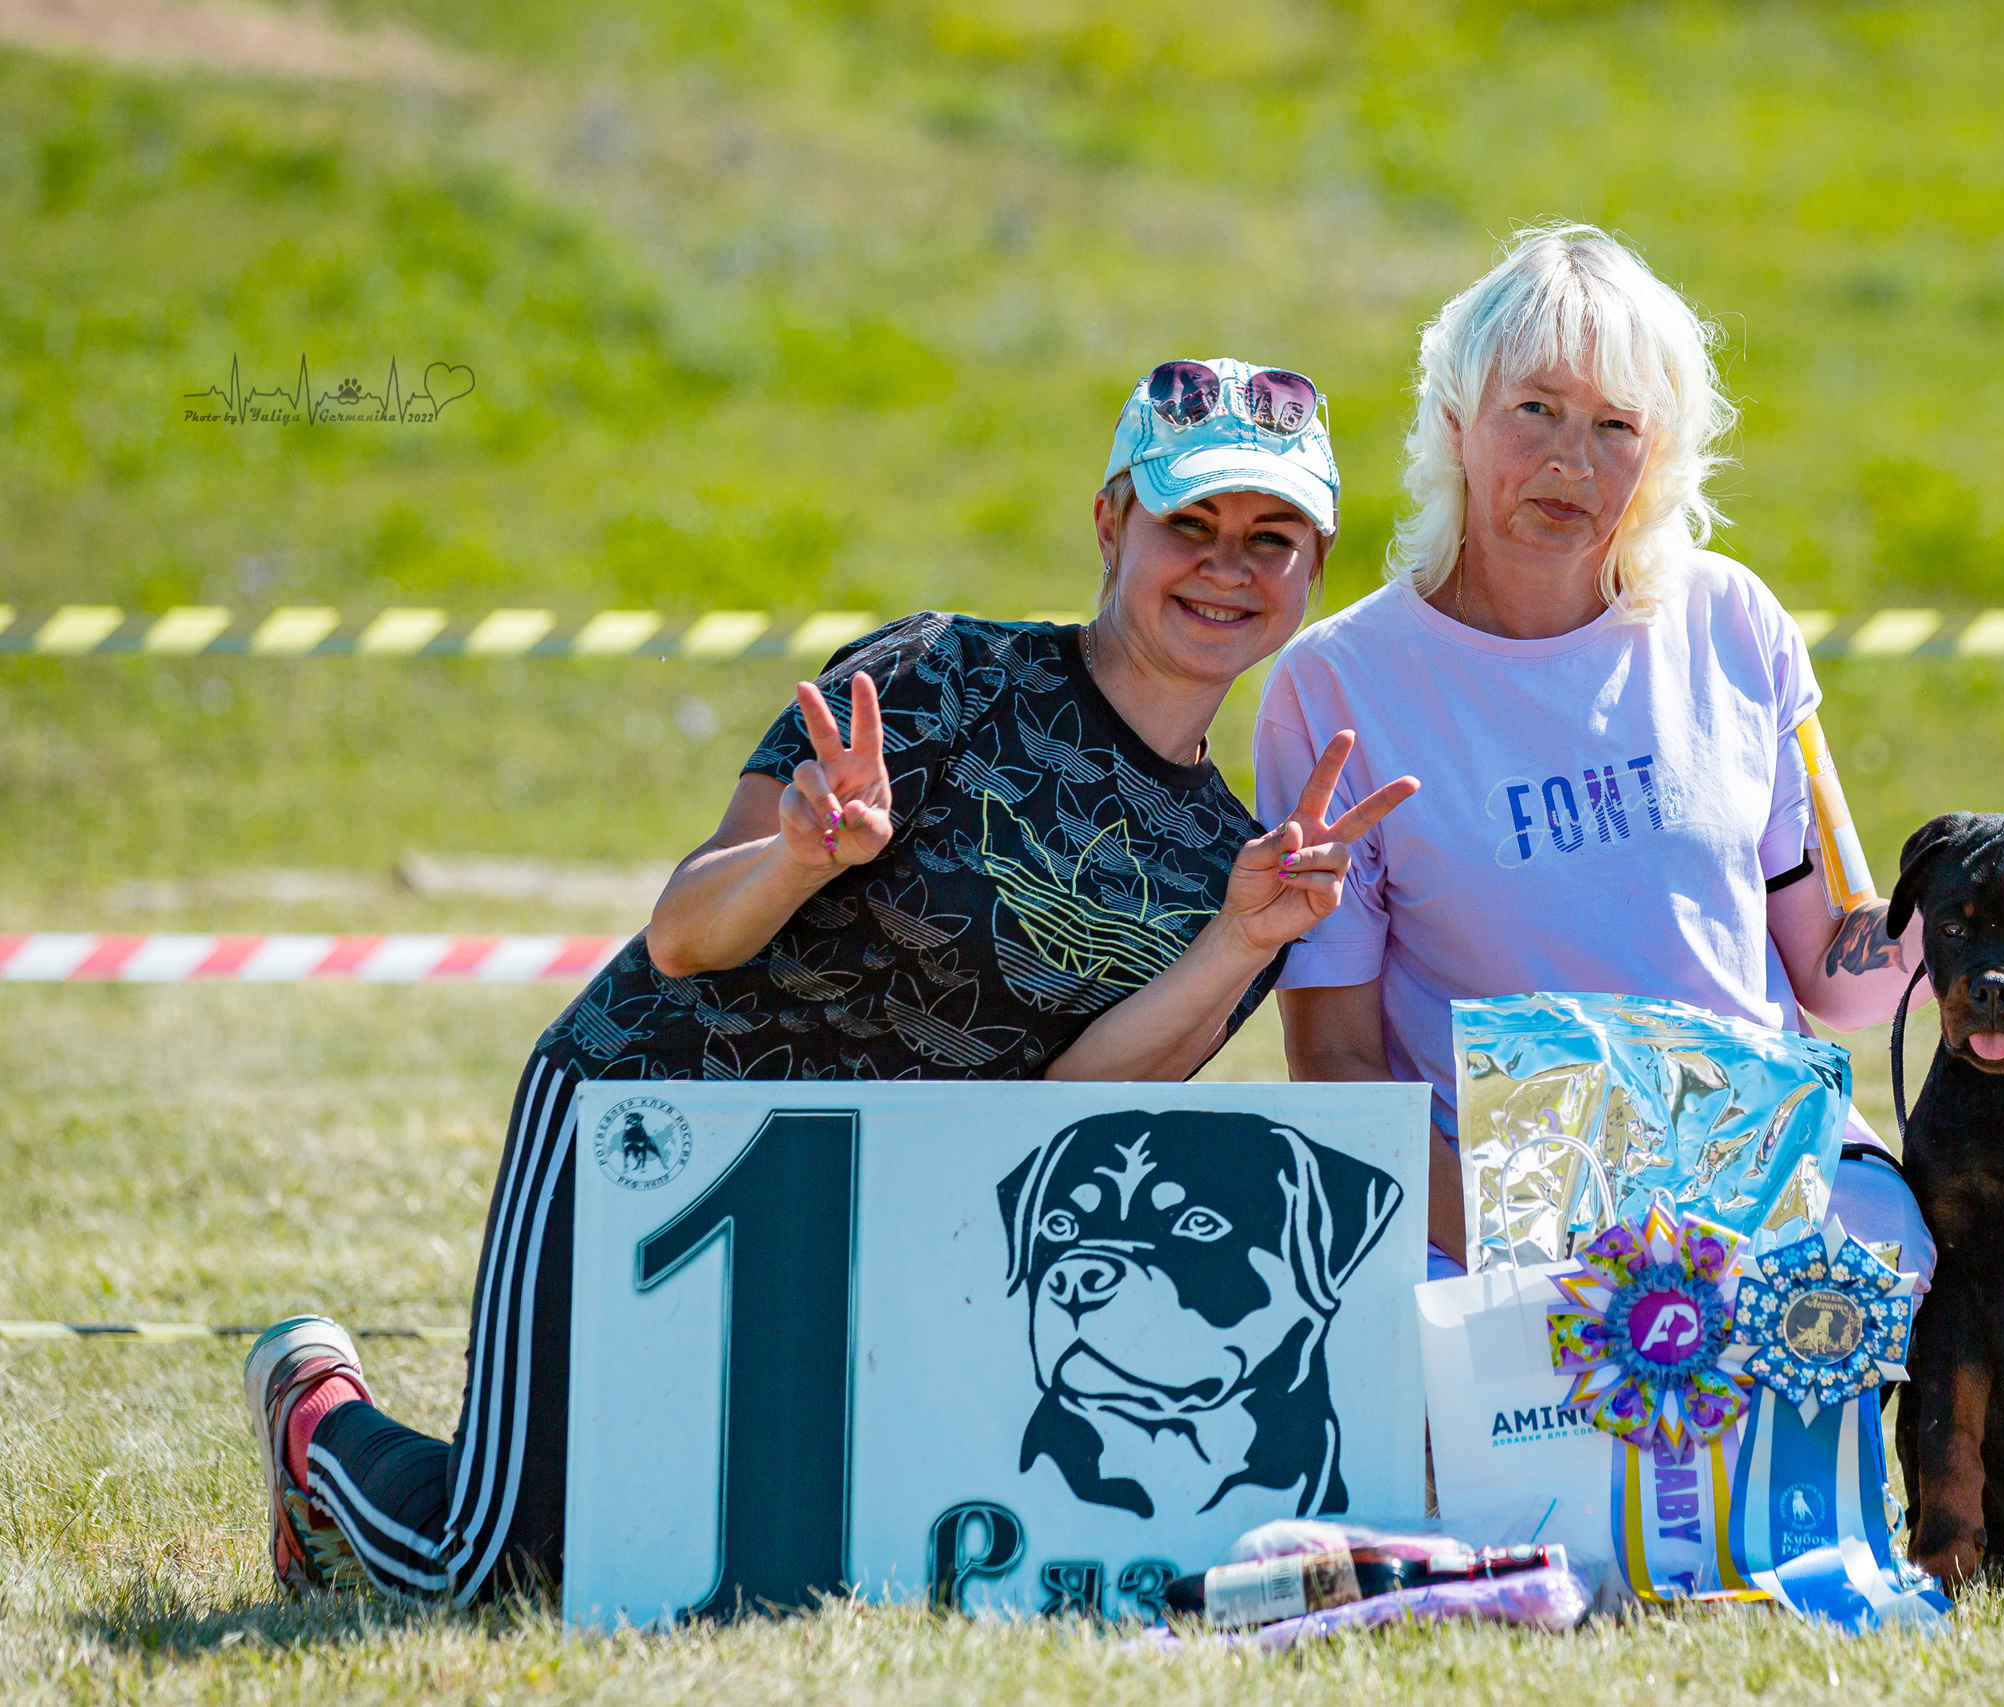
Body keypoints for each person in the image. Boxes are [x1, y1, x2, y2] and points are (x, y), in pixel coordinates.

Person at [241, 356, 1418, 1602]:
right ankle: (318, 1422)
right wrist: (799, 856)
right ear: (1111, 521)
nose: (1227, 565)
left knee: (721, 1569)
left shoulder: (1227, 868)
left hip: (872, 1230)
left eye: (1270, 536)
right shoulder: (933, 678)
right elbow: (686, 934)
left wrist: (1240, 941)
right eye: (1191, 523)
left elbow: (1061, 1107)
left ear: (1316, 567)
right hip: (643, 1121)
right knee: (500, 1571)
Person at [1254, 225, 1937, 1281]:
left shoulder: (1735, 620)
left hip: (1756, 1185)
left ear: (1659, 454)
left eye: (1616, 425)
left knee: (1893, 1240)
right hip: (1483, 1218)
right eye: (1533, 410)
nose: (1571, 461)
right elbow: (1334, 1059)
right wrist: (1543, 1264)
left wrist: (1975, 918)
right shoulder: (1332, 685)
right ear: (1452, 423)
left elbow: (1834, 980)